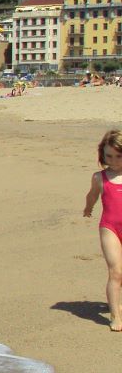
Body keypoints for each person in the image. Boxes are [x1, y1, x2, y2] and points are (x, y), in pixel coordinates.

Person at [83, 128, 122, 332]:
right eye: (109, 156)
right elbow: (91, 196)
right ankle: (116, 315)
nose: (113, 161)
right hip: (110, 228)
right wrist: (88, 208)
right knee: (116, 272)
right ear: (102, 154)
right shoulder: (100, 178)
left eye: (118, 156)